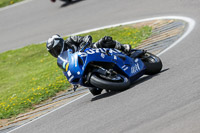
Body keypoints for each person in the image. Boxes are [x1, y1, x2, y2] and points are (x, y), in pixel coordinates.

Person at [46, 34, 131, 58]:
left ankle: (124, 48)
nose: (55, 52)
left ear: (61, 44)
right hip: (84, 63)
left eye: (56, 49)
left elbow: (86, 38)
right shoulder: (63, 59)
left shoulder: (71, 40)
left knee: (105, 40)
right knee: (94, 91)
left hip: (91, 50)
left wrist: (83, 45)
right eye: (52, 52)